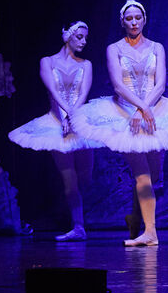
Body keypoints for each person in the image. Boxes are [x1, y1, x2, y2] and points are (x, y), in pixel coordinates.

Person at [74, 0, 168, 246]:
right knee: (142, 175)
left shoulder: (157, 47)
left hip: (154, 109)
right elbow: (118, 85)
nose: (134, 22)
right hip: (124, 113)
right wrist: (138, 108)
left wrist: (145, 108)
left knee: (152, 176)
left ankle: (135, 218)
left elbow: (160, 84)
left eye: (137, 18)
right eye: (129, 18)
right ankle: (151, 233)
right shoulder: (115, 49)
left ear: (144, 20)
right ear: (122, 22)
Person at [7, 21, 100, 241]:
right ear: (68, 36)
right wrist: (65, 117)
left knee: (86, 178)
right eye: (79, 37)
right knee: (69, 179)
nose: (84, 42)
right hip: (55, 123)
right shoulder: (47, 62)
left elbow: (83, 93)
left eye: (86, 38)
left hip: (79, 121)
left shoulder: (86, 64)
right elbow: (53, 91)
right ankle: (78, 226)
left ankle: (73, 214)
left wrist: (72, 117)